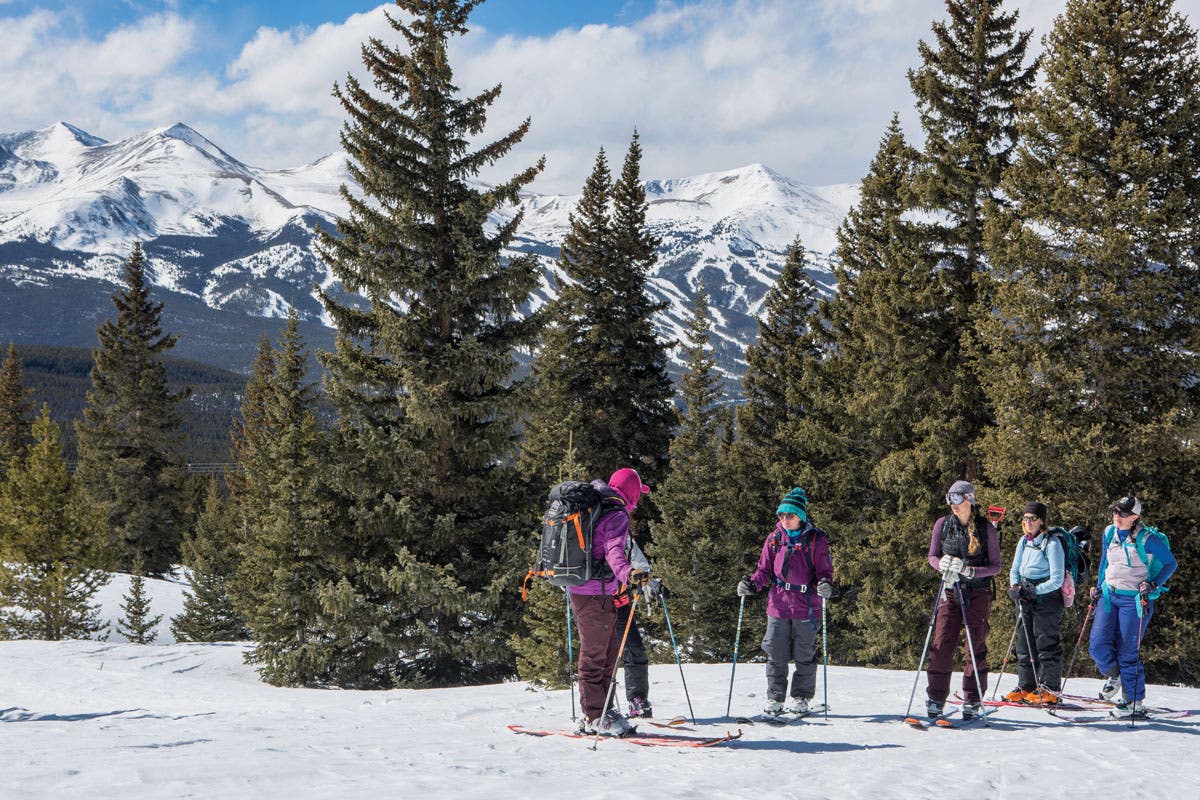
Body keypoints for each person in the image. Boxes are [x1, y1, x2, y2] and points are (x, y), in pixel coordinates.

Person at [736, 487, 834, 716]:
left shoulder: (816, 540)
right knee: (775, 654)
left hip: (806, 606)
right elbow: (763, 571)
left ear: (800, 515)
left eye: (789, 515)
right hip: (778, 604)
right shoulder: (774, 539)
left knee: (804, 655)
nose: (784, 519)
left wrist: (825, 585)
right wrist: (751, 584)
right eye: (781, 515)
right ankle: (775, 698)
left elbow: (825, 572)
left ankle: (801, 697)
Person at [569, 467, 652, 736]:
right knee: (595, 655)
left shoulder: (601, 507)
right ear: (632, 494)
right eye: (638, 494)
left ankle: (604, 709)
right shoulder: (615, 514)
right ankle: (594, 715)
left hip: (594, 590)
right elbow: (614, 551)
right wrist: (629, 573)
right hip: (593, 591)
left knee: (607, 653)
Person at [1087, 495, 1178, 718]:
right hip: (1109, 595)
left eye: (1123, 514)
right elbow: (1105, 562)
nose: (1117, 516)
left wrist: (1153, 583)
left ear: (1135, 517)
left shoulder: (1147, 539)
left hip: (1134, 599)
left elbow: (1170, 562)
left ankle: (1133, 701)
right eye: (1115, 511)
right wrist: (1098, 586)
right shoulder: (1109, 532)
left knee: (1128, 651)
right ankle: (1115, 675)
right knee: (1097, 646)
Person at [925, 480, 1001, 719]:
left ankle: (973, 697)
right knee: (942, 643)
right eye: (949, 499)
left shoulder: (985, 528)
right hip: (950, 590)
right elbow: (932, 556)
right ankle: (936, 697)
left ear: (969, 500)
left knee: (974, 644)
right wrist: (941, 565)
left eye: (957, 499)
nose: (953, 505)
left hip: (977, 592)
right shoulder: (943, 525)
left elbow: (995, 567)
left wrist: (970, 571)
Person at [1004, 501, 1065, 704]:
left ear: (1042, 521)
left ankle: (1050, 688)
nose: (1029, 522)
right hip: (1025, 593)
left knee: (1045, 642)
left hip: (1046, 597)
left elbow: (1057, 579)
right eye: (1026, 518)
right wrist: (1015, 587)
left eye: (1033, 519)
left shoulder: (1052, 543)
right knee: (1024, 641)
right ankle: (1026, 685)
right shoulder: (1024, 541)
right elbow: (1015, 569)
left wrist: (1035, 590)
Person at [618, 534, 666, 719]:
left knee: (635, 650)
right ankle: (597, 708)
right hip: (592, 605)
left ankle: (637, 700)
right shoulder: (587, 530)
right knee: (599, 658)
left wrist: (654, 586)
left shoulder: (624, 538)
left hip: (619, 604)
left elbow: (641, 568)